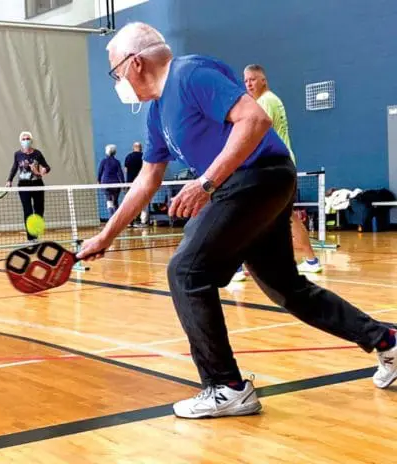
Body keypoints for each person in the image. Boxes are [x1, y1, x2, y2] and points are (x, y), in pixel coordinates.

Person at [77, 22, 396, 419]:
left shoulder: (189, 73)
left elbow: (254, 120)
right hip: (255, 182)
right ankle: (387, 341)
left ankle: (225, 386)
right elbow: (148, 177)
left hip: (256, 177)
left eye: (116, 72)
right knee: (287, 287)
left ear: (136, 63)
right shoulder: (157, 112)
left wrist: (206, 182)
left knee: (187, 272)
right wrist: (107, 234)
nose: (118, 82)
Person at [229, 64, 321, 282]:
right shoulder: (271, 100)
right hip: (282, 166)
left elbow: (255, 134)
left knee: (242, 214)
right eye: (246, 81)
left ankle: (238, 267)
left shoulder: (265, 102)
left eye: (253, 79)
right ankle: (310, 260)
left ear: (264, 80)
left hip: (269, 167)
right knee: (287, 216)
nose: (249, 84)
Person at [6, 131, 51, 242]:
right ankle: (31, 238)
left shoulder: (37, 154)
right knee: (28, 211)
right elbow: (14, 168)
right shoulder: (17, 154)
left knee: (39, 210)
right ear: (20, 141)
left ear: (31, 140)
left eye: (27, 139)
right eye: (23, 139)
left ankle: (35, 232)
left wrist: (43, 170)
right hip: (23, 185)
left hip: (37, 185)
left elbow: (47, 167)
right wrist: (9, 180)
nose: (26, 141)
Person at [124, 142, 149, 227]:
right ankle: (143, 221)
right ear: (140, 148)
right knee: (144, 202)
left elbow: (126, 170)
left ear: (133, 147)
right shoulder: (144, 157)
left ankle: (130, 221)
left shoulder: (128, 157)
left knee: (130, 202)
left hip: (130, 183)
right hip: (142, 183)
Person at [97, 144, 125, 219]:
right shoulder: (117, 162)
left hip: (106, 184)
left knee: (109, 201)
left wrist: (99, 181)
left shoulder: (103, 161)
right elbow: (120, 173)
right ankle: (117, 218)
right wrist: (123, 184)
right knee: (115, 202)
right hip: (116, 184)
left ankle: (112, 218)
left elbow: (100, 172)